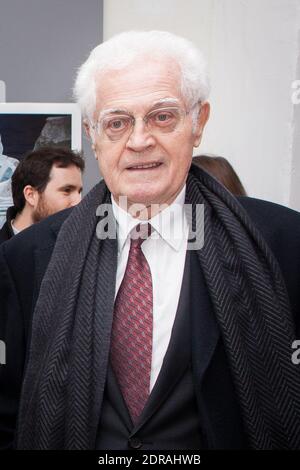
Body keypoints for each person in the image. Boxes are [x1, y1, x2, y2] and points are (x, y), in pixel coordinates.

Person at [0, 30, 300, 451]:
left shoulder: (283, 245)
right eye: (117, 122)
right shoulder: (27, 259)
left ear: (198, 123)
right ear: (92, 133)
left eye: (162, 116)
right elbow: (11, 414)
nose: (139, 141)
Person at [0, 146, 84, 244]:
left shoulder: (80, 249)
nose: (78, 202)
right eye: (67, 190)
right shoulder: (3, 253)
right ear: (30, 195)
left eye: (79, 192)